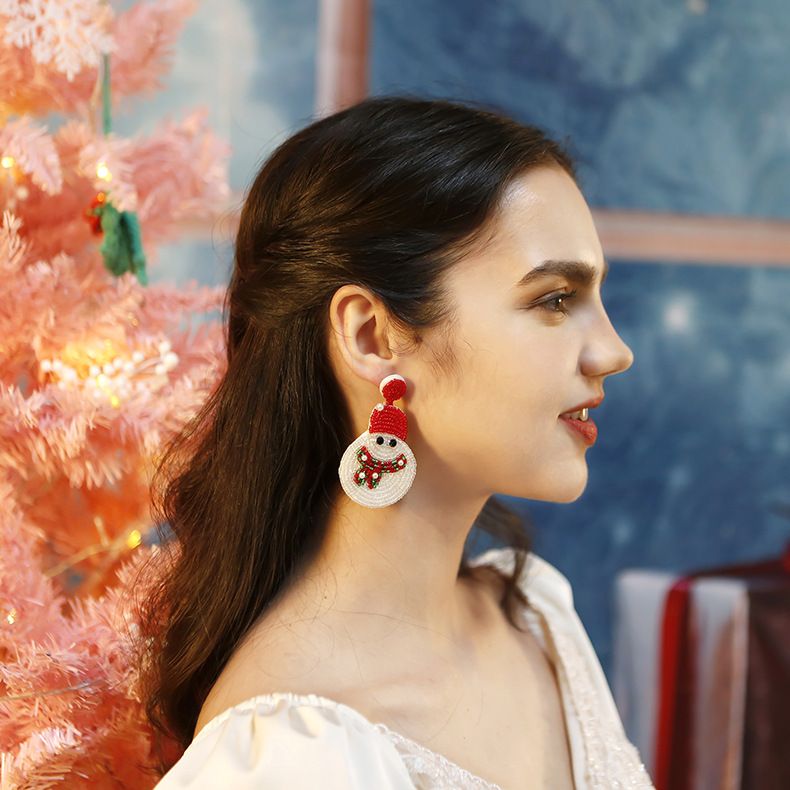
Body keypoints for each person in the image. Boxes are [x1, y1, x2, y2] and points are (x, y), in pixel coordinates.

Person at [137, 96, 656, 789]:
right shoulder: (289, 752)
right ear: (372, 337)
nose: (614, 351)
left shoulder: (538, 618)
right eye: (554, 299)